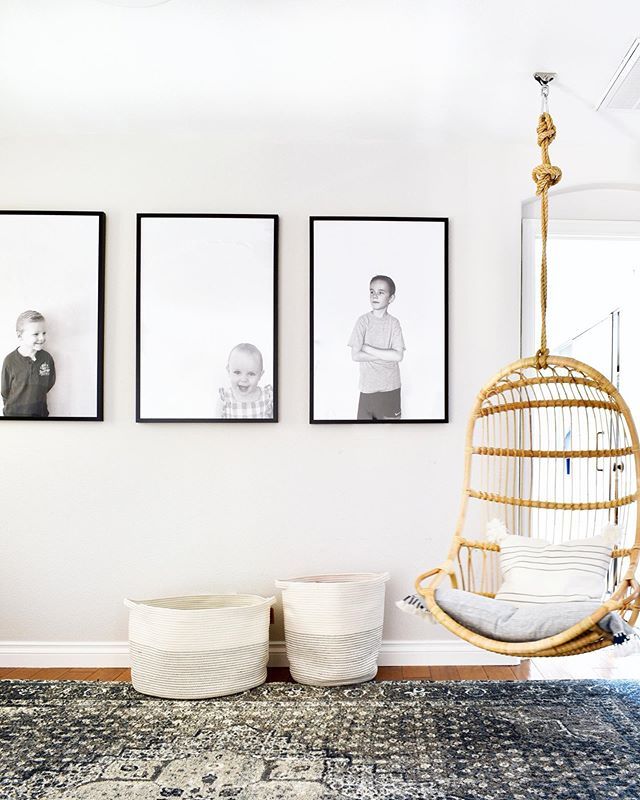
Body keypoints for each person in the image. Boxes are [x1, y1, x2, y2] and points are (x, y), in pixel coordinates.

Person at [348, 275, 405, 420]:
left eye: (381, 292)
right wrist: (387, 355)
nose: (375, 296)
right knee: (363, 436)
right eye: (372, 291)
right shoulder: (363, 321)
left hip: (390, 390)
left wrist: (366, 348)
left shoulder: (394, 323)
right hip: (367, 390)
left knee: (392, 435)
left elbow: (398, 356)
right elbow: (355, 356)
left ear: (391, 298)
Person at [1, 310, 56, 418]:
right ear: (20, 335)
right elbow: (4, 390)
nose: (42, 338)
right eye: (36, 334)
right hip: (13, 416)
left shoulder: (47, 358)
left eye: (44, 333)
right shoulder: (10, 360)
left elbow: (49, 383)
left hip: (40, 414)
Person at [216, 343, 273, 419]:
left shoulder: (268, 398)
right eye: (237, 372)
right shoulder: (225, 399)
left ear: (260, 375)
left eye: (251, 374)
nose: (244, 379)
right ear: (229, 371)